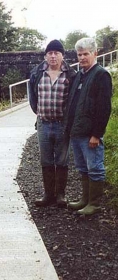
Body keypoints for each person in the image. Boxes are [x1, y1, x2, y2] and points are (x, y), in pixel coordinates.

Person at [65, 37, 112, 215]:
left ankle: (94, 204)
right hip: (77, 132)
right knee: (83, 167)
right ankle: (85, 199)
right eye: (79, 54)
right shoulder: (79, 75)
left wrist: (96, 134)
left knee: (95, 168)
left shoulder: (101, 75)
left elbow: (104, 108)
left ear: (95, 53)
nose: (82, 57)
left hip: (90, 134)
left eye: (86, 54)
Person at [29, 39, 76, 208]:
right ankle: (48, 194)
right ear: (46, 56)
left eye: (56, 53)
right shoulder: (37, 73)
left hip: (62, 124)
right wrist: (39, 113)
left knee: (62, 160)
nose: (53, 56)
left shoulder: (71, 74)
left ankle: (61, 194)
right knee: (46, 160)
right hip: (43, 123)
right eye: (50, 53)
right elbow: (32, 98)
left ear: (63, 55)